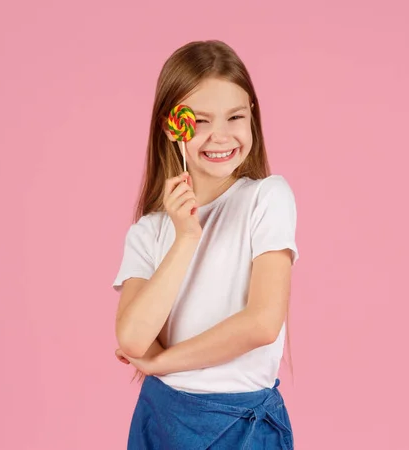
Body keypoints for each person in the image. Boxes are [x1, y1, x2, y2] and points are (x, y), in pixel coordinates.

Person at [112, 40, 299, 450]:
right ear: (171, 126)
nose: (221, 135)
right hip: (161, 416)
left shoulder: (267, 198)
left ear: (252, 115)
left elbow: (262, 324)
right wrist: (186, 238)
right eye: (198, 121)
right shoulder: (150, 231)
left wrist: (161, 363)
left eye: (235, 116)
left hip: (242, 426)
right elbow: (132, 339)